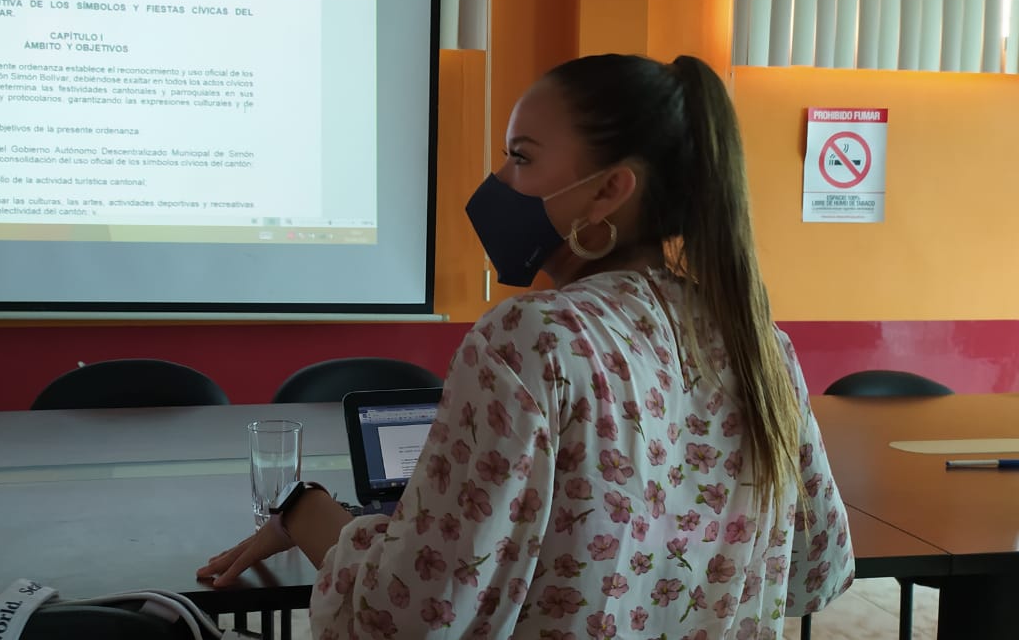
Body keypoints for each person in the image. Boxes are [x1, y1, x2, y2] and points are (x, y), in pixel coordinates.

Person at [198, 54, 854, 638]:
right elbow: (816, 571)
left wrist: (306, 511)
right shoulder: (760, 345)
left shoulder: (532, 338)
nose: (499, 180)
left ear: (608, 190)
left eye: (521, 157)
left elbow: (406, 618)